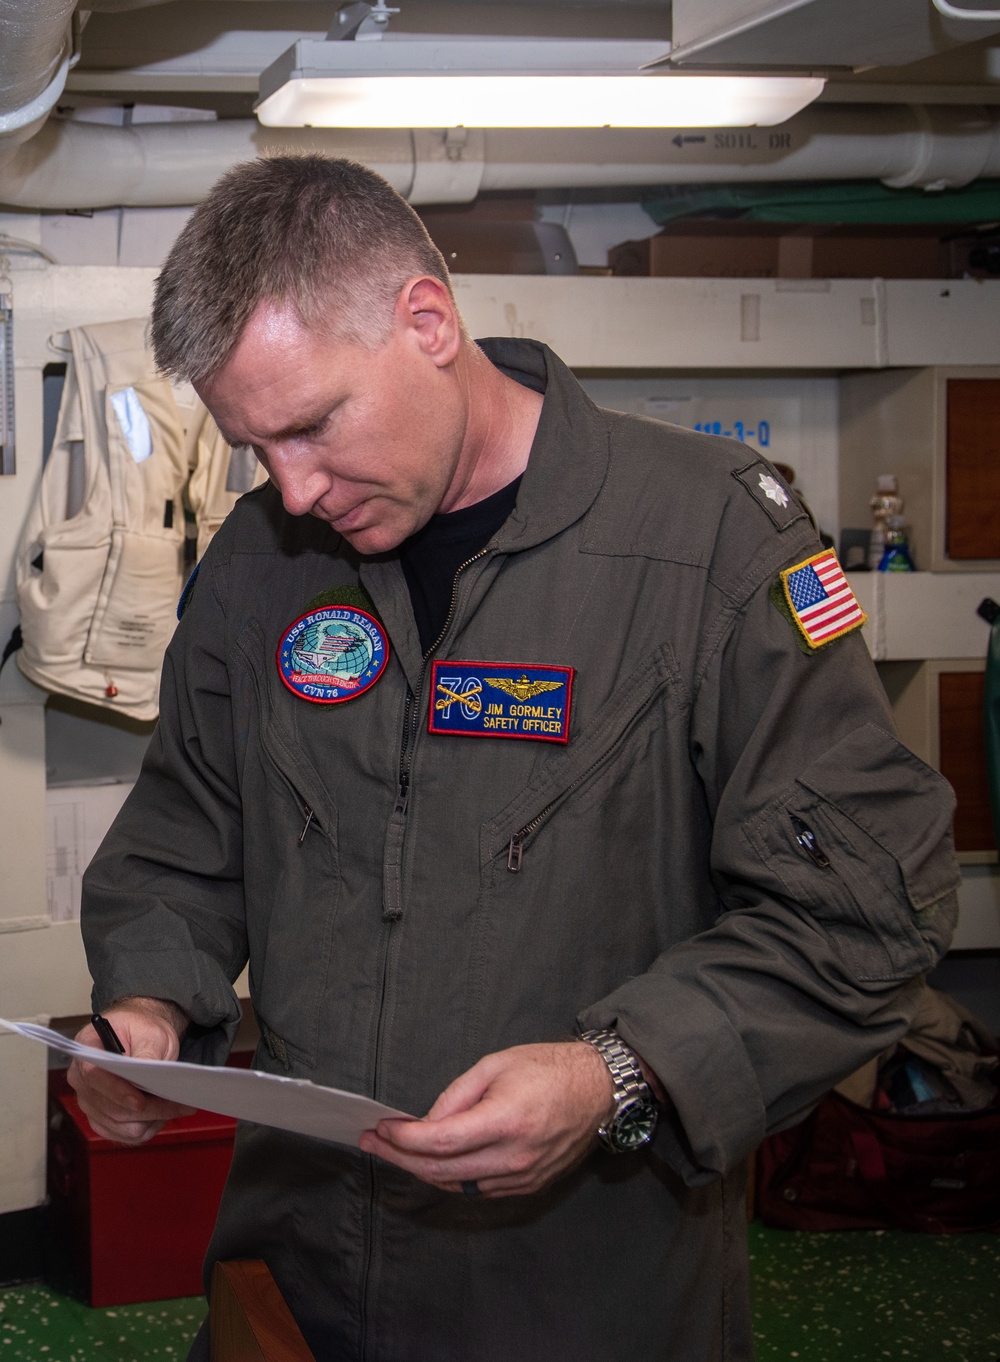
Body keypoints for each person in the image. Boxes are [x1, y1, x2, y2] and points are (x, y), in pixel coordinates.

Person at [70, 156, 959, 1362]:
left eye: (313, 426)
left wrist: (615, 1071)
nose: (293, 487)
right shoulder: (264, 562)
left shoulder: (705, 545)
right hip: (300, 1272)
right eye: (253, 448)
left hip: (584, 1287)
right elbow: (188, 835)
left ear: (425, 323)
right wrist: (143, 1010)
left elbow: (864, 912)